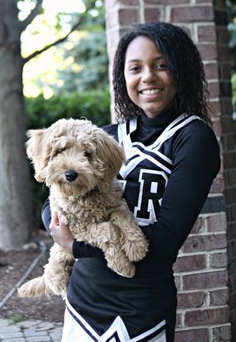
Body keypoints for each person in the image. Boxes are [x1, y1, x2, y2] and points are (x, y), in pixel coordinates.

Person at [42, 22, 220, 342]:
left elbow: (165, 243)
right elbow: (52, 202)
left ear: (181, 70)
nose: (147, 76)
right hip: (83, 304)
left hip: (140, 312)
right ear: (123, 77)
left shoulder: (193, 139)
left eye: (161, 65)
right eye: (135, 67)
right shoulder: (107, 136)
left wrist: (77, 245)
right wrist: (61, 232)